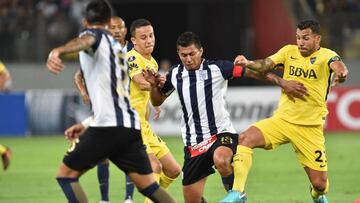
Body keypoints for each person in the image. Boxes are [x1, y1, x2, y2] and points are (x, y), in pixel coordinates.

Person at [143, 31, 307, 203]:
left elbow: (252, 73)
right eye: (184, 55)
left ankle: (237, 195)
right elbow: (157, 100)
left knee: (221, 160)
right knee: (192, 199)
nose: (188, 59)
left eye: (192, 54)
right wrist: (154, 86)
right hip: (194, 143)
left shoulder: (219, 68)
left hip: (221, 133)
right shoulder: (175, 74)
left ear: (201, 51)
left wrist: (283, 83)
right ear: (179, 54)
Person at [46, 1, 176, 203]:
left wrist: (57, 51)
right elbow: (118, 96)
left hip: (108, 126)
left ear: (85, 22)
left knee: (66, 175)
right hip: (129, 126)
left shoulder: (95, 36)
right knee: (149, 185)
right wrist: (87, 124)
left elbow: (87, 41)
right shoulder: (118, 50)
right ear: (109, 21)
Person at [220, 19, 348, 203]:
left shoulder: (327, 55)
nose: (300, 42)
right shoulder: (288, 51)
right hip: (282, 121)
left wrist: (341, 74)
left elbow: (339, 67)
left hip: (310, 128)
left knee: (320, 185)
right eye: (298, 38)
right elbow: (265, 65)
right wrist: (247, 62)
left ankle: (317, 195)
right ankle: (237, 192)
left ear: (317, 39)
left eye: (305, 38)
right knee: (245, 139)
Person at [72, 15, 135, 203]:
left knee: (130, 153)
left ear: (125, 30)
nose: (115, 30)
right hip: (105, 109)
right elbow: (78, 75)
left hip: (130, 111)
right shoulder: (103, 49)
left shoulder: (134, 52)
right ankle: (105, 199)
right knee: (103, 156)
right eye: (112, 27)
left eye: (119, 27)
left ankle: (128, 198)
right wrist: (84, 93)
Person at [126, 18, 181, 203]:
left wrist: (156, 103)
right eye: (143, 37)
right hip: (131, 125)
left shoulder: (154, 63)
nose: (149, 40)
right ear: (134, 40)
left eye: (151, 35)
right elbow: (140, 82)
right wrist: (153, 84)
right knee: (154, 167)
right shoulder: (132, 57)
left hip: (144, 126)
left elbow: (150, 92)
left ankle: (156, 197)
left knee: (173, 170)